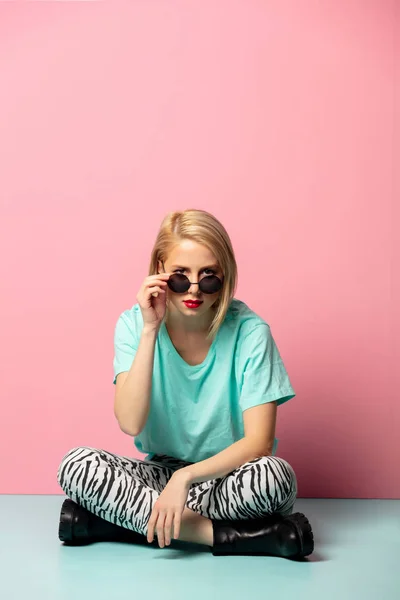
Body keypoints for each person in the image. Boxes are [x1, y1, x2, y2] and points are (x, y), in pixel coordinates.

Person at [56, 208, 314, 559]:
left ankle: (115, 524)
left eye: (209, 277)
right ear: (160, 268)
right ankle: (243, 538)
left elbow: (259, 443)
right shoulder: (133, 325)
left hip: (229, 478)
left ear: (225, 276)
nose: (194, 290)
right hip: (160, 475)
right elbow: (130, 422)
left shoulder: (251, 333)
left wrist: (185, 480)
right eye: (181, 276)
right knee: (76, 465)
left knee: (274, 478)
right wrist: (150, 329)